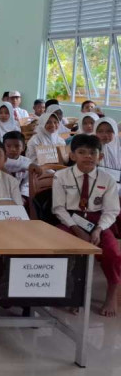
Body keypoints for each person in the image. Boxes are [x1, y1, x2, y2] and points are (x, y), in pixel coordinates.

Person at [52, 134, 120, 317]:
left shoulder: (108, 179)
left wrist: (99, 229)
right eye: (82, 152)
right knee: (60, 246)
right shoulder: (61, 176)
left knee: (113, 252)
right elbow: (58, 208)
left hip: (98, 222)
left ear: (101, 157)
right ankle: (72, 292)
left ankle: (112, 292)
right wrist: (76, 228)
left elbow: (111, 210)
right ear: (72, 155)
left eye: (93, 153)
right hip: (70, 220)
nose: (88, 156)